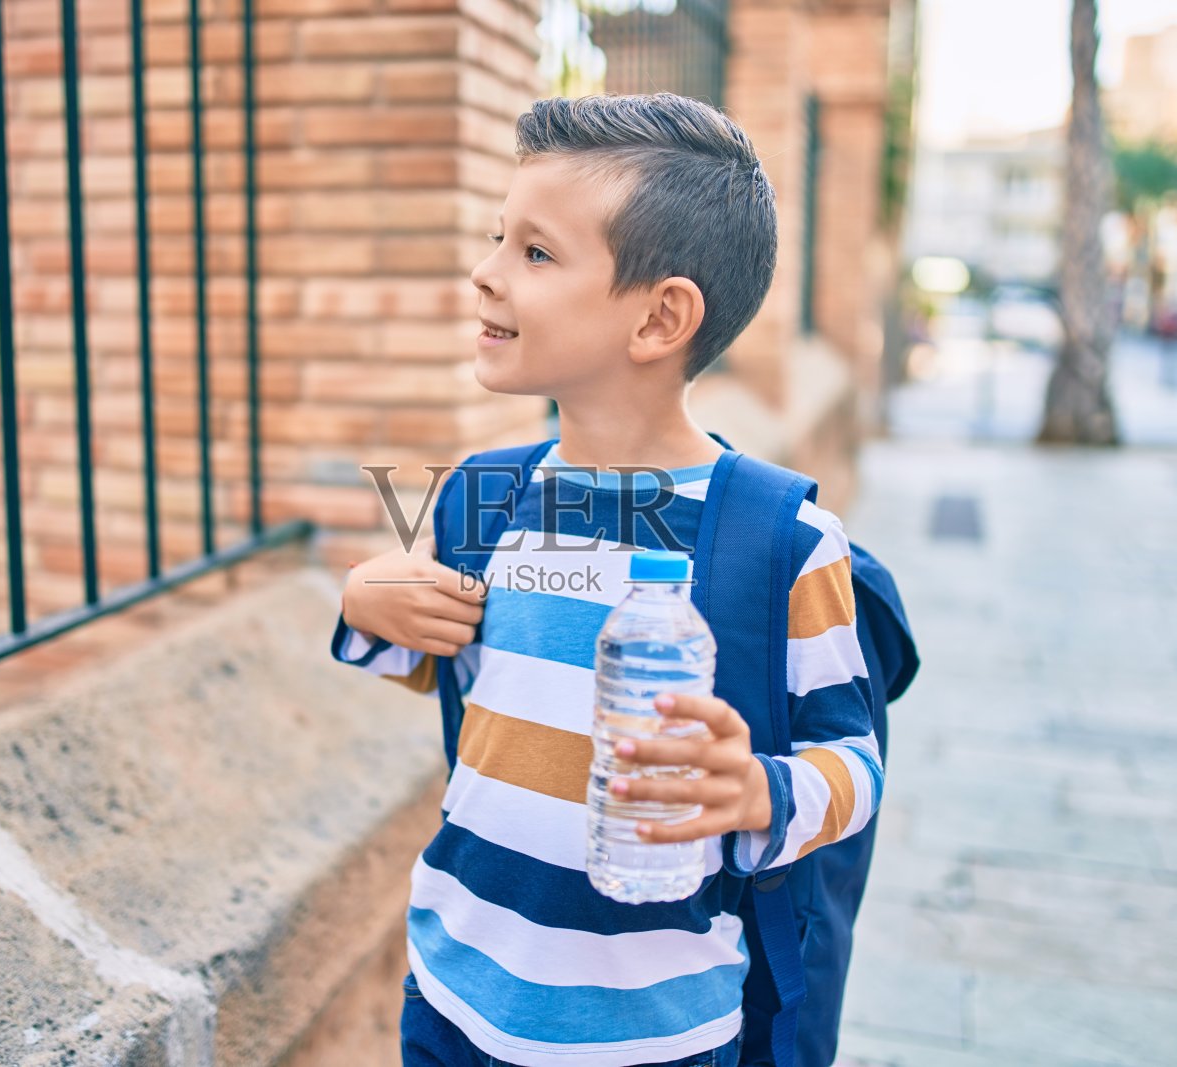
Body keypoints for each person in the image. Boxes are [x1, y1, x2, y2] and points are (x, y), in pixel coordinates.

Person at [331, 93, 880, 1067]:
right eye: (498, 237)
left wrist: (756, 787)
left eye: (534, 253)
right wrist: (365, 606)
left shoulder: (786, 541)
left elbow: (855, 762)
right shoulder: (480, 496)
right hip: (454, 991)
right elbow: (449, 667)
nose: (485, 272)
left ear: (660, 316)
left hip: (656, 1034)